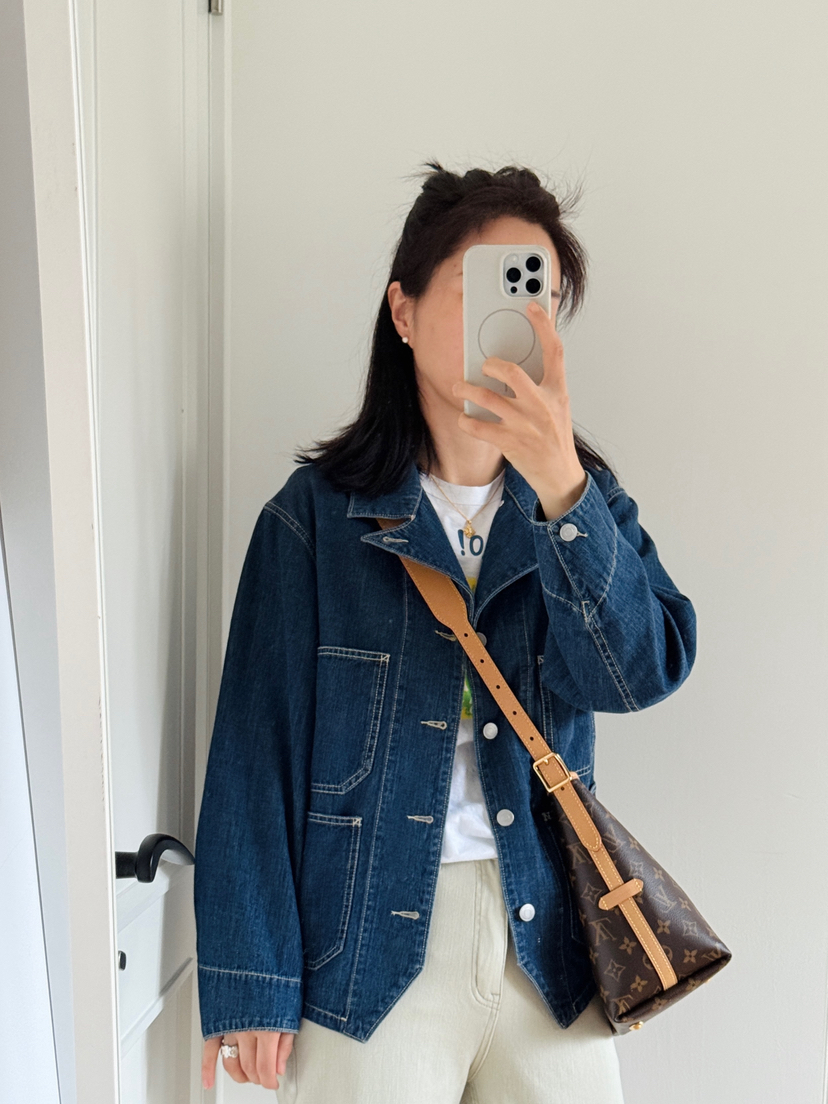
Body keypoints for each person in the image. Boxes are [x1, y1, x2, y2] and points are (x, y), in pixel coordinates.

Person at [194, 162, 697, 1101]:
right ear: (404, 310)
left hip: (551, 948)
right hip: (364, 953)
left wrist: (563, 491)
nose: (512, 315)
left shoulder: (582, 505)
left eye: (535, 293)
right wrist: (251, 977)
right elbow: (253, 755)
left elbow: (638, 674)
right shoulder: (314, 520)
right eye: (484, 287)